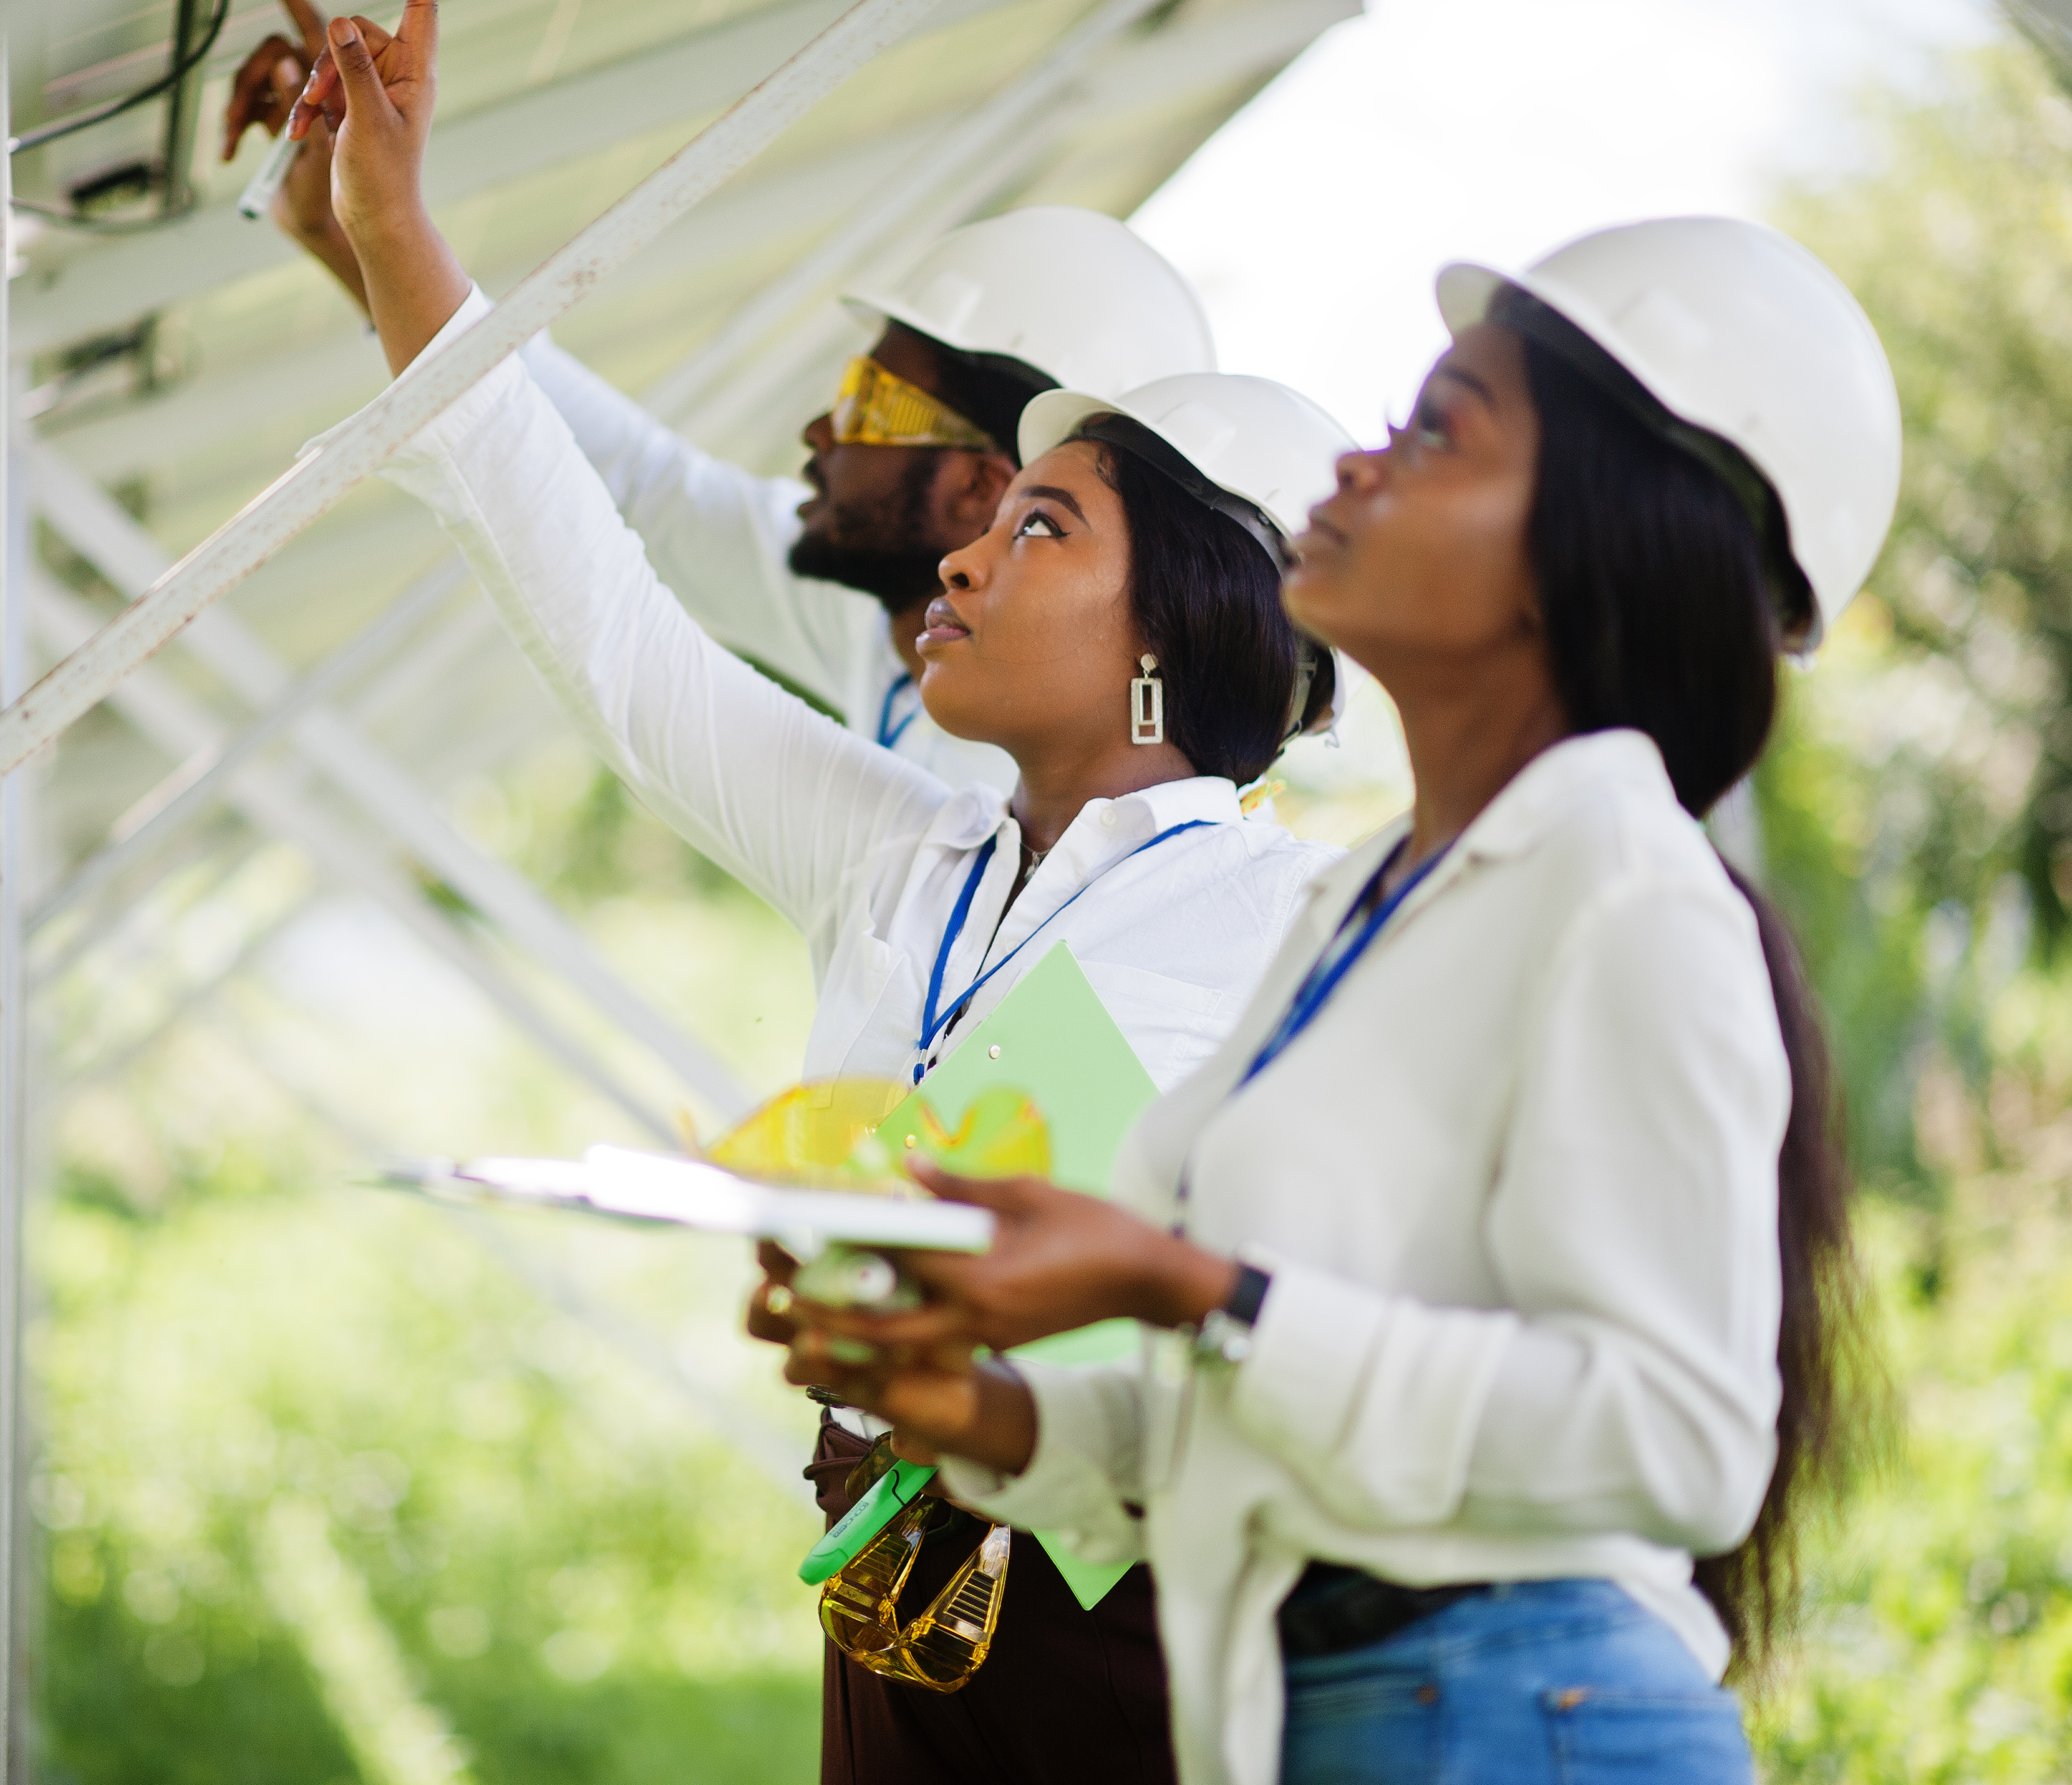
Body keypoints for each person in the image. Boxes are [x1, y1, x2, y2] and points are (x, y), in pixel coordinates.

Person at [278, 11, 1359, 1781]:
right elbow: (619, 638)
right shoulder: (903, 850)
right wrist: (391, 233)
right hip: (883, 1573)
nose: (965, 549)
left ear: (1177, 629)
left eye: (1043, 530)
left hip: (1132, 1629)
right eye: (995, 516)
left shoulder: (1300, 931)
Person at [781, 214, 1901, 1785]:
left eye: (1438, 429)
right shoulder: (1352, 912)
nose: (1361, 460)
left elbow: (1677, 1442)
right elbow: (1271, 1439)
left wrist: (1189, 1290)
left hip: (1524, 1734)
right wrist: (978, 1407)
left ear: (1583, 549)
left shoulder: (1628, 895)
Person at [222, 2, 1226, 795]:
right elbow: (640, 486)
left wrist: (382, 228)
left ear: (983, 490)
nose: (821, 432)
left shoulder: (1007, 793)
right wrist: (356, 233)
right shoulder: (887, 639)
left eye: (871, 403)